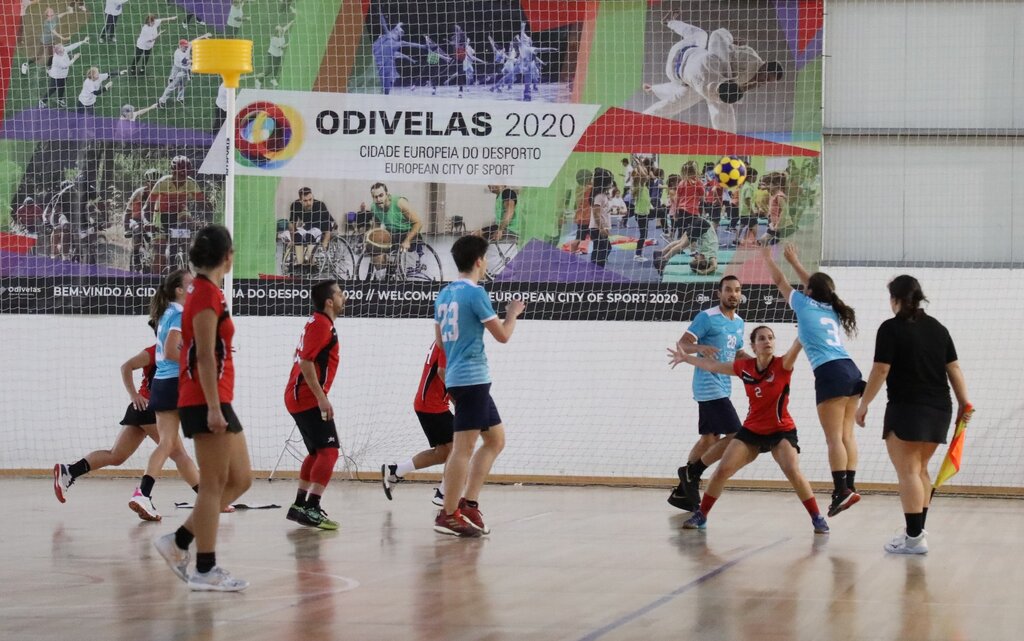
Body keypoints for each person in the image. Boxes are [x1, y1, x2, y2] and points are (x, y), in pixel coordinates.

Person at [155, 224, 251, 592]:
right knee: (212, 485)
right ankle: (204, 568)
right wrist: (213, 407)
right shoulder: (206, 294)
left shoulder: (204, 290)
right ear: (228, 257)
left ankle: (178, 541)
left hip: (216, 398)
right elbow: (206, 357)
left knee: (240, 479)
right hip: (205, 399)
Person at [668, 327, 830, 534]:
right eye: (762, 338)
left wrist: (806, 323)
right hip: (752, 431)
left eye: (770, 338)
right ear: (753, 346)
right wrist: (686, 358)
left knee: (792, 469)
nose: (767, 341)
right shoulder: (745, 367)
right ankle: (702, 515)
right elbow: (713, 365)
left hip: (781, 431)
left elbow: (798, 345)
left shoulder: (783, 364)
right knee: (722, 471)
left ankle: (817, 517)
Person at [855, 276, 970, 554]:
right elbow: (953, 368)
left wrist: (864, 404)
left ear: (895, 299)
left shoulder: (890, 328)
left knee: (908, 472)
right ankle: (915, 534)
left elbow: (881, 369)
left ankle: (915, 538)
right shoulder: (938, 328)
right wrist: (964, 403)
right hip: (940, 409)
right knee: (920, 470)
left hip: (908, 408)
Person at [762, 243, 864, 517]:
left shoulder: (804, 304)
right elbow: (819, 287)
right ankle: (849, 486)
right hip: (851, 371)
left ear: (809, 291)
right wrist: (795, 262)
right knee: (847, 435)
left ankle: (841, 490)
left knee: (834, 439)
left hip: (830, 372)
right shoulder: (832, 307)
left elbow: (779, 281)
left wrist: (768, 259)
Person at [433, 235, 525, 537]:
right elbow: (503, 336)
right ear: (478, 261)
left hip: (463, 378)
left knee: (495, 440)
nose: (486, 263)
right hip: (471, 379)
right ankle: (448, 514)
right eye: (485, 258)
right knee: (463, 448)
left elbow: (440, 341)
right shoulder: (476, 293)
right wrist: (512, 314)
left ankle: (469, 503)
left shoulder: (445, 294)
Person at [53, 341, 199, 503]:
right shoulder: (156, 351)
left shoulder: (186, 352)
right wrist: (134, 395)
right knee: (179, 454)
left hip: (144, 410)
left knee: (116, 456)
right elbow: (126, 367)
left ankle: (70, 471)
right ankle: (205, 497)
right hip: (150, 407)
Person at [666, 275, 748, 511]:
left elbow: (738, 353)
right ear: (719, 293)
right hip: (707, 385)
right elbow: (683, 344)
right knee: (736, 435)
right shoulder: (707, 317)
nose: (733, 294)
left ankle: (682, 492)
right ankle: (692, 472)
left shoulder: (739, 322)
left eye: (737, 290)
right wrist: (701, 347)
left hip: (724, 385)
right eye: (728, 290)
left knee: (709, 439)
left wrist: (760, 366)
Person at [128, 269, 194, 521]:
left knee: (167, 443)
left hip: (162, 383)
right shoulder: (179, 314)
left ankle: (143, 493)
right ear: (179, 290)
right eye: (190, 283)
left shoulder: (167, 313)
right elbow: (171, 351)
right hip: (176, 383)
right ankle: (214, 495)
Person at [642, 16, 784, 132]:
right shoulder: (748, 62)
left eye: (768, 81)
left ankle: (648, 104)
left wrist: (731, 41)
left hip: (685, 65)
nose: (764, 81)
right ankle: (670, 21)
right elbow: (718, 37)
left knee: (679, 100)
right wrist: (730, 41)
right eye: (766, 77)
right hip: (685, 56)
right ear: (765, 66)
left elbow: (728, 90)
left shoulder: (741, 72)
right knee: (714, 97)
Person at [284, 280, 346, 531]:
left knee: (317, 452)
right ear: (329, 302)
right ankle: (312, 506)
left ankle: (299, 505)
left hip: (299, 395)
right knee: (330, 451)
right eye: (339, 294)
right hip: (307, 397)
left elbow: (301, 356)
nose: (343, 296)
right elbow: (306, 362)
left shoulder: (318, 323)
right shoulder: (321, 324)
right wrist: (321, 397)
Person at [381, 341, 453, 506]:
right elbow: (443, 372)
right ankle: (443, 494)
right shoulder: (448, 339)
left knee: (443, 453)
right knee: (459, 449)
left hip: (429, 405)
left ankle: (396, 470)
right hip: (433, 406)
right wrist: (460, 401)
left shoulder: (445, 337)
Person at [145, 155, 206, 275]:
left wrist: (206, 221)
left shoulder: (191, 183)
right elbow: (147, 207)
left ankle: (186, 264)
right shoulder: (162, 183)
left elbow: (203, 204)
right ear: (173, 172)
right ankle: (156, 279)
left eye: (186, 174)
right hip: (161, 215)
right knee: (160, 253)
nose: (183, 178)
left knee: (186, 231)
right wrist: (147, 223)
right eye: (180, 174)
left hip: (180, 212)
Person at [367, 183, 423, 269]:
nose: (378, 199)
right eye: (375, 197)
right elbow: (377, 224)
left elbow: (418, 223)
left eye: (381, 195)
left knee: (405, 267)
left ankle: (409, 266)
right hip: (392, 235)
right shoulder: (374, 207)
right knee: (375, 252)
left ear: (387, 194)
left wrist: (407, 240)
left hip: (409, 234)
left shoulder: (400, 203)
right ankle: (383, 273)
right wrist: (372, 238)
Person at [288, 187, 335, 269]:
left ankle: (312, 265)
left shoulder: (320, 205)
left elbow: (328, 223)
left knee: (310, 236)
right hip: (309, 226)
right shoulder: (295, 205)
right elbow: (292, 223)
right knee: (298, 236)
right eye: (305, 201)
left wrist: (325, 242)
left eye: (310, 199)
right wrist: (292, 240)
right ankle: (300, 264)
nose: (309, 203)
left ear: (313, 197)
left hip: (324, 226)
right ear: (300, 200)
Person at [159, 34, 210, 107]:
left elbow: (194, 41)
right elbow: (185, 61)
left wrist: (204, 36)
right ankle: (162, 101)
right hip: (178, 71)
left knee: (183, 85)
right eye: (185, 46)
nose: (187, 47)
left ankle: (180, 98)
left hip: (186, 71)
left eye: (187, 46)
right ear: (180, 46)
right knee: (171, 86)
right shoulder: (178, 53)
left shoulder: (187, 46)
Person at [39, 37, 86, 108]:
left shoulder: (63, 50)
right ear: (59, 52)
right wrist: (74, 58)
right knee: (52, 89)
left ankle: (60, 99)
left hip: (63, 75)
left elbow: (71, 46)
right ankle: (42, 101)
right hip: (56, 76)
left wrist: (82, 41)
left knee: (62, 87)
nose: (64, 49)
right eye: (63, 49)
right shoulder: (57, 59)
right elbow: (66, 65)